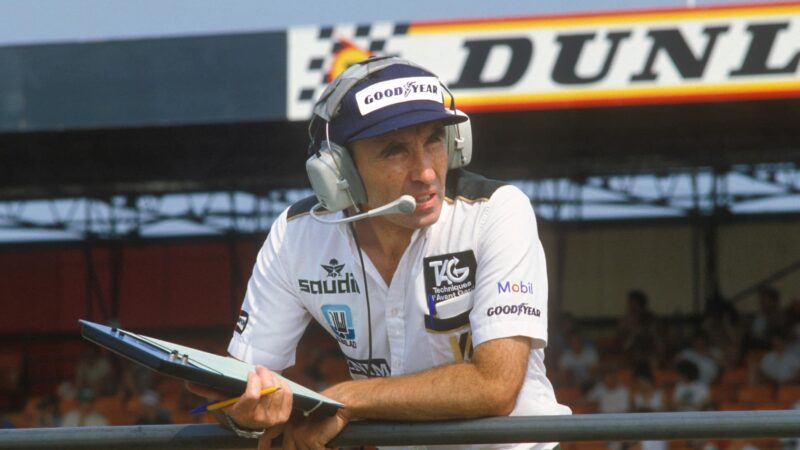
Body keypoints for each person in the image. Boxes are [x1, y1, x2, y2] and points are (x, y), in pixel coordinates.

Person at [188, 56, 570, 449]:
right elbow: (240, 383)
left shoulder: (498, 211)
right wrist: (242, 413)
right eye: (395, 151)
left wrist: (349, 400)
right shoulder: (294, 235)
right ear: (338, 172)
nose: (425, 172)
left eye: (434, 140)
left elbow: (495, 387)